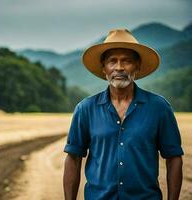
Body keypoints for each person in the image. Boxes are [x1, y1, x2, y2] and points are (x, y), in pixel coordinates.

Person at [63, 29, 184, 200]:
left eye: (126, 61)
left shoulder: (159, 108)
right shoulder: (85, 109)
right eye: (112, 61)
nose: (119, 67)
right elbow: (73, 159)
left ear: (137, 66)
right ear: (104, 68)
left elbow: (174, 158)